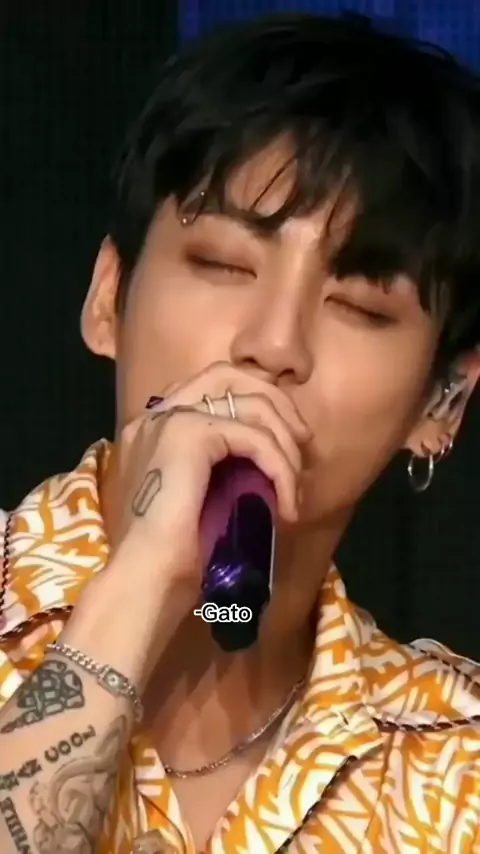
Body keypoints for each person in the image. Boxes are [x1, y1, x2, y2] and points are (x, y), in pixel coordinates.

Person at [1, 11, 480, 854]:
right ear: (108, 297)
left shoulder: (457, 757)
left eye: (361, 307)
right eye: (224, 264)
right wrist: (143, 580)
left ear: (440, 402)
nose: (274, 344)